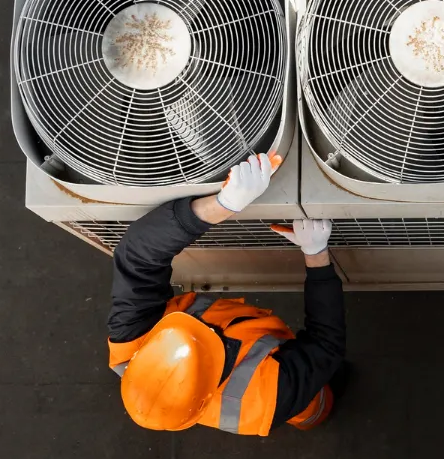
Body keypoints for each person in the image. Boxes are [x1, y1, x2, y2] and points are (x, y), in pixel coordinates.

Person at [106, 152, 346, 435]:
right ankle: (317, 413)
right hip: (287, 393)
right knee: (313, 401)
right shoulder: (268, 399)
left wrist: (222, 205)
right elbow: (326, 343)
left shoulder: (132, 340)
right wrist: (316, 256)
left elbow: (137, 255)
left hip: (262, 351)